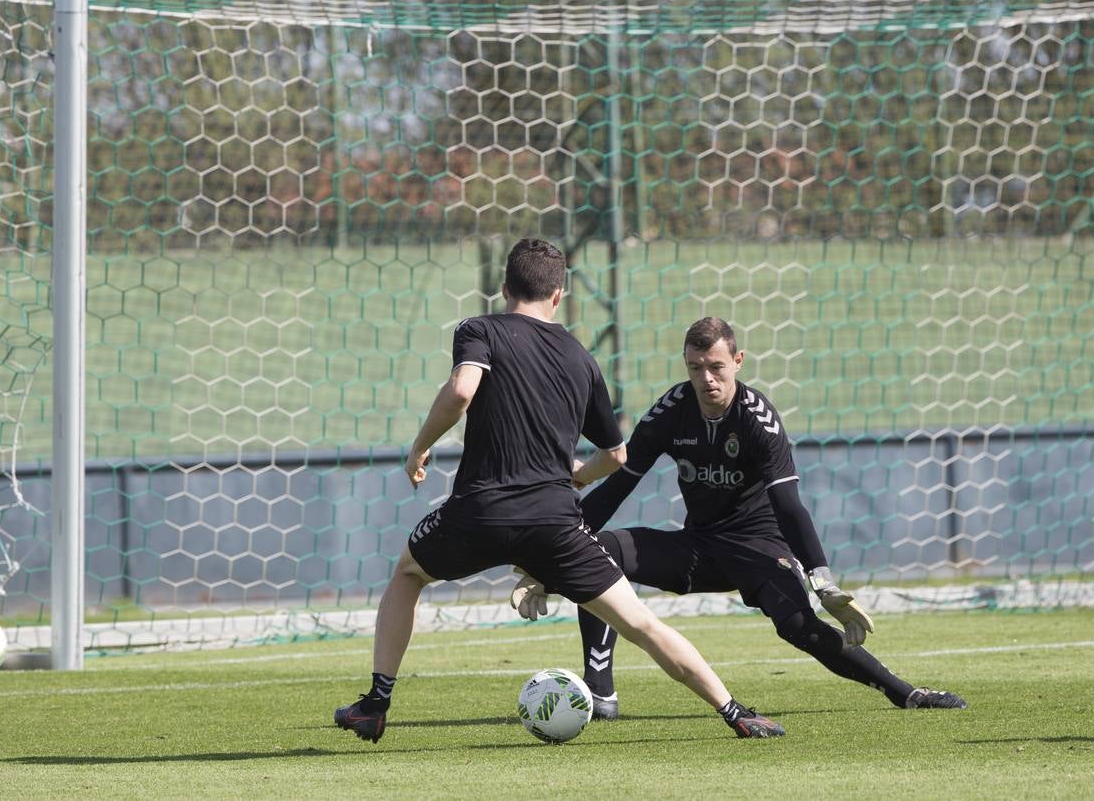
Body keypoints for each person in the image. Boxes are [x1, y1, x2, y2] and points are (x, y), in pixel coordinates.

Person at [335, 241, 785, 743]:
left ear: (505, 289)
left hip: (478, 512)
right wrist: (576, 478)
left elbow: (462, 391)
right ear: (559, 294)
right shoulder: (580, 356)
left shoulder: (479, 329)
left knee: (409, 574)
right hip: (556, 521)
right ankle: (734, 711)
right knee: (641, 625)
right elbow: (616, 456)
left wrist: (419, 447)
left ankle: (375, 704)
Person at [511, 316, 966, 719]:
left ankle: (905, 693)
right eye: (695, 368)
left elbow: (789, 507)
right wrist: (547, 559)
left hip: (759, 547)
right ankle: (600, 691)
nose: (706, 379)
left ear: (738, 360)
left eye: (716, 367)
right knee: (602, 550)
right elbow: (617, 485)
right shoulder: (671, 411)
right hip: (701, 546)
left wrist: (823, 581)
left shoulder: (757, 420)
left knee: (797, 627)